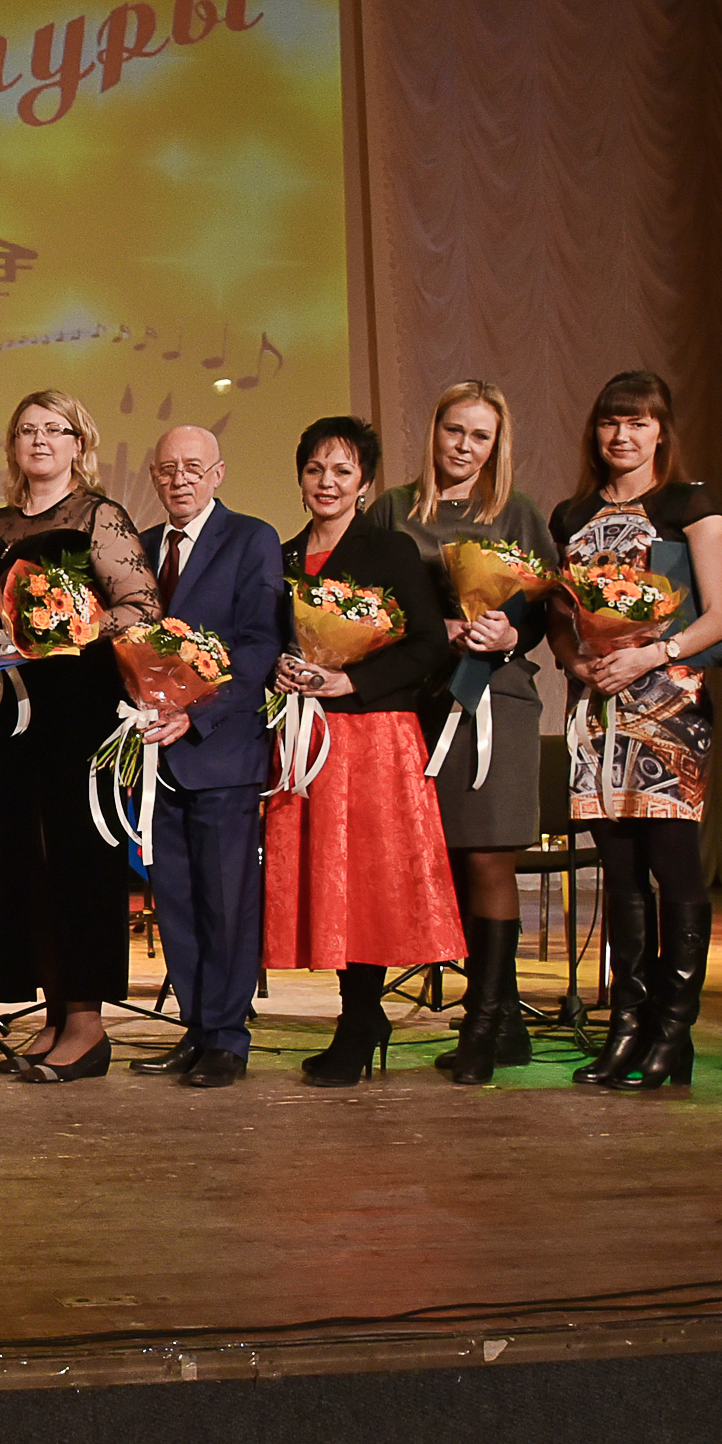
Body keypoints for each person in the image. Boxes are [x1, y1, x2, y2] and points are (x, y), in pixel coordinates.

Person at [548, 369, 722, 1090]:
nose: (621, 435)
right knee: (620, 872)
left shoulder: (691, 504)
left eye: (637, 422)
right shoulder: (572, 514)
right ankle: (626, 1027)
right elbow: (558, 616)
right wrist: (577, 662)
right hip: (598, 711)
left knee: (674, 867)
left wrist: (650, 655)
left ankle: (672, 1032)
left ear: (662, 431)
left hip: (671, 708)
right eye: (610, 422)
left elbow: (719, 616)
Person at [369, 382, 559, 1084]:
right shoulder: (395, 507)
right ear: (434, 431)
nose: (464, 446)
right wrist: (431, 627)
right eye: (454, 430)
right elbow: (371, 604)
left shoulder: (518, 511)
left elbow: (547, 606)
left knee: (488, 858)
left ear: (496, 444)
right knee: (445, 863)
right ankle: (504, 1019)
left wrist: (511, 632)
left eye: (480, 436)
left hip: (495, 699)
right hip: (419, 701)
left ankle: (481, 1026)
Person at [263, 416, 460, 1087]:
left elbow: (429, 643)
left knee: (368, 880)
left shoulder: (390, 549)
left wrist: (351, 679)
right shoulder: (284, 556)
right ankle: (360, 1016)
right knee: (330, 880)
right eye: (315, 469)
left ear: (365, 483)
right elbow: (271, 640)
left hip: (375, 735)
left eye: (343, 471)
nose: (327, 482)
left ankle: (359, 1020)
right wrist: (280, 669)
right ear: (300, 478)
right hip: (308, 736)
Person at [0, 391, 160, 1083]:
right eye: (28, 429)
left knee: (79, 859)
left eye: (56, 429)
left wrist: (67, 627)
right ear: (14, 445)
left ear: (80, 444)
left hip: (80, 707)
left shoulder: (97, 516)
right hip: (12, 712)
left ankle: (87, 1024)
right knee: (26, 862)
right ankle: (53, 1015)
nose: (41, 440)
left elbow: (142, 607)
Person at [130, 425, 285, 1087]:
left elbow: (258, 647)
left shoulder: (251, 538)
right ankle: (195, 1028)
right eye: (167, 469)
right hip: (153, 758)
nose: (180, 480)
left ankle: (227, 1037)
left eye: (193, 467)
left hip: (220, 751)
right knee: (177, 903)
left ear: (218, 473)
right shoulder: (139, 547)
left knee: (226, 903)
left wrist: (195, 714)